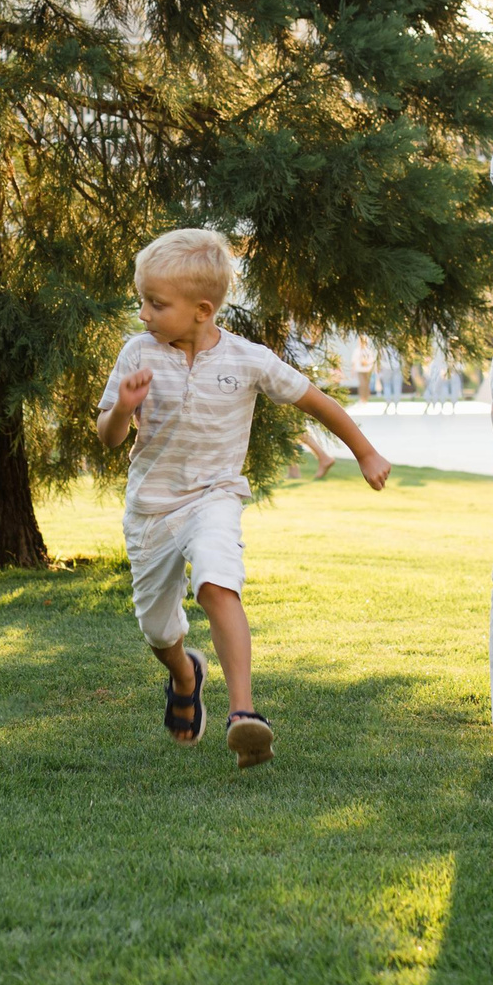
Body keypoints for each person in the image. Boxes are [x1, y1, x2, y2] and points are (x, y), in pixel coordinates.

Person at [97, 228, 393, 768]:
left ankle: (244, 715)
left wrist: (365, 452)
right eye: (143, 300)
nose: (143, 313)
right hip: (151, 510)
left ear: (202, 310)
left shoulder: (248, 359)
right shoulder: (138, 352)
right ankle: (185, 672)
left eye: (155, 304)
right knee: (157, 629)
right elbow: (110, 436)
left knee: (217, 579)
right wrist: (122, 407)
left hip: (215, 496)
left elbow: (315, 401)